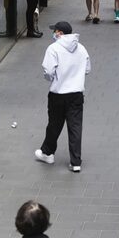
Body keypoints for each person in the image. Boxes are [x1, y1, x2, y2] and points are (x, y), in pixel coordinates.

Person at [34, 21, 91, 173]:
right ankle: (75, 162)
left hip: (58, 93)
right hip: (76, 93)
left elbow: (48, 71)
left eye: (55, 31)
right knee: (75, 126)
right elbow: (87, 69)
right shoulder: (81, 48)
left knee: (54, 124)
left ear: (59, 33)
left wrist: (54, 78)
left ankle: (48, 153)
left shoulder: (53, 48)